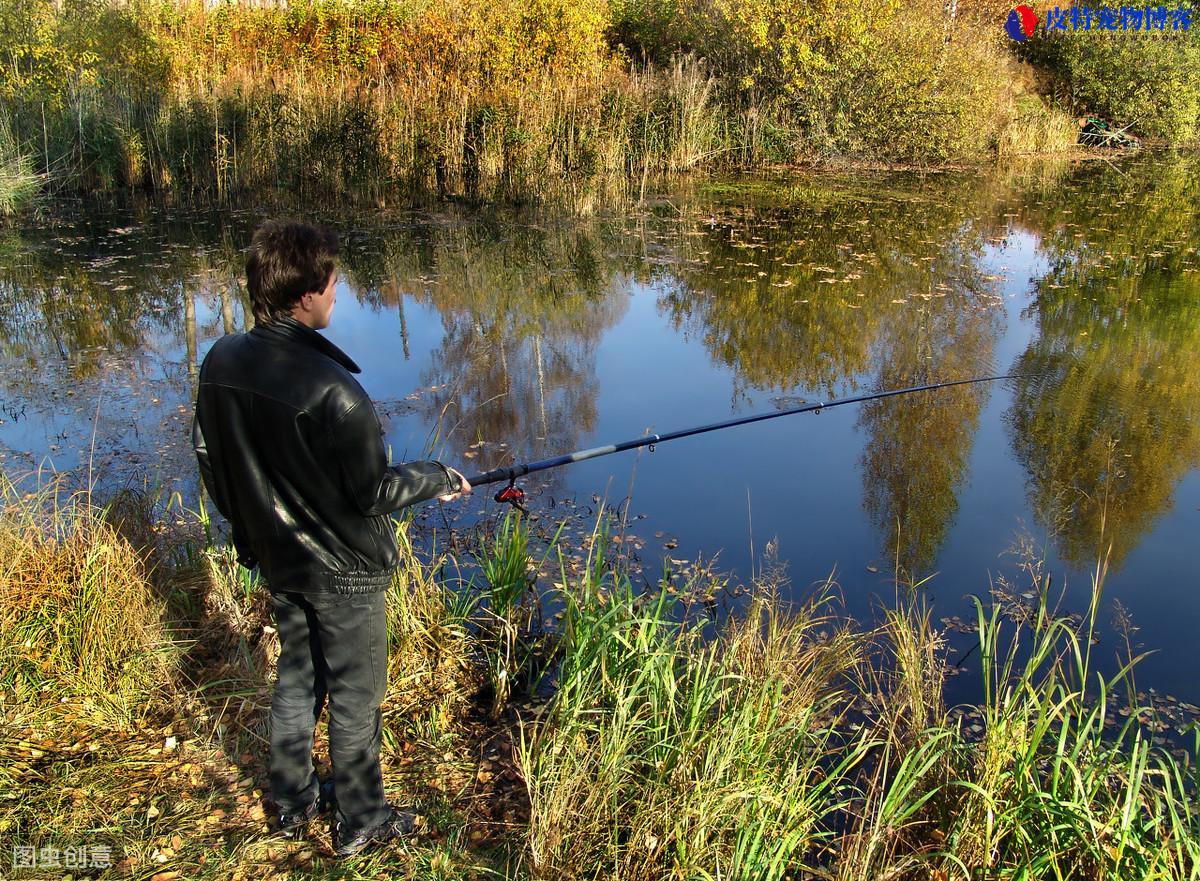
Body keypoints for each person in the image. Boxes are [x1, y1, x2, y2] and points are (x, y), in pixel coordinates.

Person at [191, 219, 471, 858]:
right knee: (355, 696)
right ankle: (361, 819)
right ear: (305, 296)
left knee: (296, 676)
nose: (338, 294)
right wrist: (438, 476)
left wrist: (247, 533)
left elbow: (211, 458)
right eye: (332, 283)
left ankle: (289, 804)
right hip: (343, 572)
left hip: (278, 560)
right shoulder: (337, 392)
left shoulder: (222, 360)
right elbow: (371, 493)